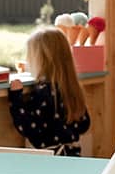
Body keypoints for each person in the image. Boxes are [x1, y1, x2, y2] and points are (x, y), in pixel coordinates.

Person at [7, 26, 90, 156]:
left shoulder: (44, 91)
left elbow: (29, 128)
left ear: (40, 60)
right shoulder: (71, 88)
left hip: (50, 160)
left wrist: (16, 98)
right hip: (73, 155)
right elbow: (84, 125)